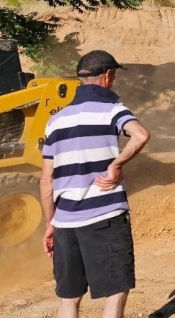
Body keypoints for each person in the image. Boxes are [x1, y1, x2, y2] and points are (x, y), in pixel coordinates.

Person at [40, 50, 151, 318]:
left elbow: (46, 181)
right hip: (105, 218)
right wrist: (116, 165)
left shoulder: (55, 121)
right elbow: (140, 135)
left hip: (65, 223)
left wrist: (51, 223)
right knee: (115, 291)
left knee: (69, 298)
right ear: (108, 76)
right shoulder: (112, 109)